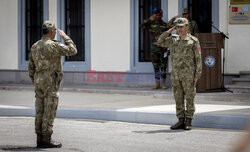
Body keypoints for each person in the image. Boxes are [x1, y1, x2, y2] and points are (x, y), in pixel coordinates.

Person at [28, 21, 77, 148]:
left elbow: (31, 68)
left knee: (40, 110)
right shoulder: (53, 46)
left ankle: (39, 137)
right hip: (50, 82)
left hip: (39, 82)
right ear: (52, 32)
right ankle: (46, 138)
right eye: (55, 31)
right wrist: (65, 37)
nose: (55, 33)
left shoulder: (35, 46)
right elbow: (73, 50)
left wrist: (36, 81)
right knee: (49, 110)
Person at [155, 18, 202, 130]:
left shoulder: (193, 41)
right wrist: (168, 32)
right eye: (178, 27)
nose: (180, 29)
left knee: (189, 98)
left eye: (182, 27)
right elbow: (160, 41)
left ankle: (189, 121)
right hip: (176, 75)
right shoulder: (173, 40)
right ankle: (180, 120)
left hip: (189, 75)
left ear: (187, 27)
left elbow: (198, 59)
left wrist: (197, 75)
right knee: (178, 98)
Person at [140, 9, 176, 89]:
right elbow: (141, 26)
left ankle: (163, 84)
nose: (158, 16)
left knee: (163, 67)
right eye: (156, 15)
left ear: (161, 16)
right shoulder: (151, 24)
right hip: (154, 49)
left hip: (163, 49)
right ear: (154, 15)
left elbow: (169, 37)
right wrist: (149, 19)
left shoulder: (165, 25)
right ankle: (157, 83)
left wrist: (169, 49)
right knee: (156, 67)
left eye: (159, 15)